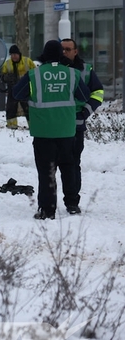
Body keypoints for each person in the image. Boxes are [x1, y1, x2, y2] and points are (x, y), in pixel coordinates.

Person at [11, 40, 89, 220]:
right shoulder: (73, 74)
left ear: (43, 56)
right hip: (67, 131)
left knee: (46, 172)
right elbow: (84, 96)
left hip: (43, 132)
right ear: (61, 55)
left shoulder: (34, 75)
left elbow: (17, 93)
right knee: (69, 168)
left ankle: (47, 210)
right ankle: (72, 204)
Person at [60, 38, 104, 214]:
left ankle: (72, 202)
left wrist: (85, 112)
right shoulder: (54, 70)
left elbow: (98, 92)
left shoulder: (85, 70)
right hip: (56, 126)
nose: (65, 52)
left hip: (76, 126)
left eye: (68, 49)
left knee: (72, 164)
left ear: (75, 51)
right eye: (62, 49)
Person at [0, 45, 35, 128]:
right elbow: (2, 76)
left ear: (19, 54)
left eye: (15, 54)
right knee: (11, 108)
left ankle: (33, 125)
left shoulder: (27, 61)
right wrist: (7, 77)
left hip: (26, 89)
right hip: (13, 89)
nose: (14, 56)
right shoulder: (7, 64)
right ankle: (11, 126)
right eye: (12, 54)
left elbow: (35, 73)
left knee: (28, 108)